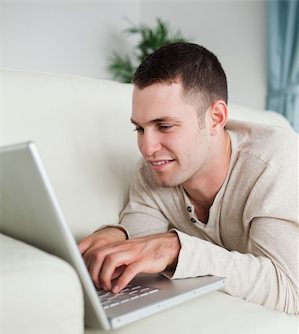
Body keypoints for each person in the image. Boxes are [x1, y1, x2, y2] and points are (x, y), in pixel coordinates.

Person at [79, 42, 298, 314]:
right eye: (139, 128)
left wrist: (175, 248)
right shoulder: (152, 170)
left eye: (164, 126)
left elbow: (289, 291)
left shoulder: (275, 163)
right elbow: (141, 239)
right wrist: (115, 235)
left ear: (216, 118)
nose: (147, 148)